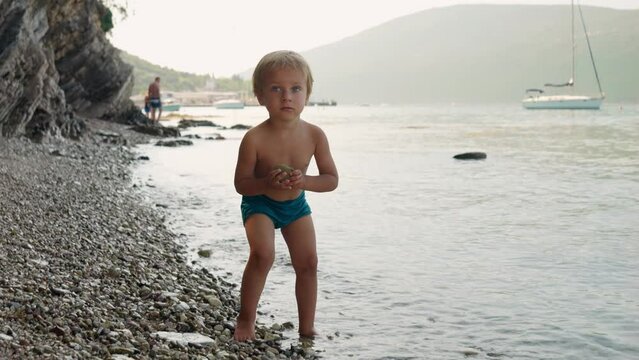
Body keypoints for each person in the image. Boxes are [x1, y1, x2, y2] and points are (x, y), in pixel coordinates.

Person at [233, 50, 339, 341]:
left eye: (295, 88)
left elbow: (331, 180)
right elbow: (241, 184)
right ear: (260, 96)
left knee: (308, 263)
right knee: (263, 255)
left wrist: (304, 181)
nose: (286, 96)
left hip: (295, 205)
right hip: (260, 203)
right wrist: (265, 185)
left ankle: (307, 328)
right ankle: (246, 320)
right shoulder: (254, 138)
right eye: (276, 89)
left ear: (307, 93)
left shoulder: (314, 135)